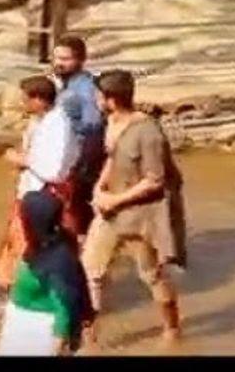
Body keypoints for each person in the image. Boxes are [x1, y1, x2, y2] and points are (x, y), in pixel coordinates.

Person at [82, 70, 185, 348]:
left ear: (111, 100)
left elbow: (155, 181)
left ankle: (171, 330)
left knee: (151, 275)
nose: (95, 99)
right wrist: (100, 188)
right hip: (110, 210)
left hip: (141, 216)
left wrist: (116, 200)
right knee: (91, 269)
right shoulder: (112, 122)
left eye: (98, 95)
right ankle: (88, 337)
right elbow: (113, 158)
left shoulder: (148, 134)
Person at [0, 76, 76, 302]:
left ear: (39, 100)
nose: (22, 104)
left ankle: (23, 299)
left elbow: (55, 171)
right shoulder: (40, 120)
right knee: (12, 249)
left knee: (24, 250)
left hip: (44, 198)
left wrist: (22, 160)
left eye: (25, 99)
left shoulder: (58, 126)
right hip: (30, 194)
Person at [0, 189, 94, 357]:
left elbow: (64, 309)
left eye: (23, 217)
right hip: (19, 325)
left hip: (38, 331)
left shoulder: (58, 260)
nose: (20, 221)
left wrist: (57, 348)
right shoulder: (40, 246)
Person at [52, 37, 106, 235]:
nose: (59, 63)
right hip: (68, 157)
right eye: (56, 57)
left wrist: (80, 168)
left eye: (66, 59)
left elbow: (93, 127)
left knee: (78, 216)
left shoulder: (84, 90)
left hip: (80, 163)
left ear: (81, 60)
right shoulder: (65, 85)